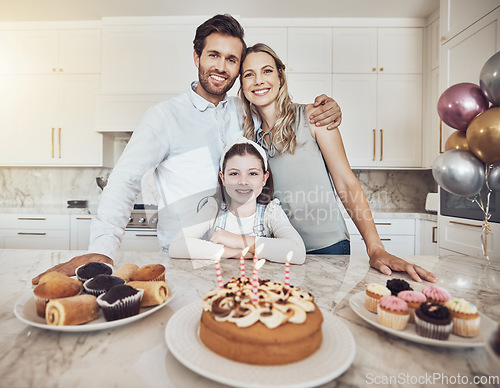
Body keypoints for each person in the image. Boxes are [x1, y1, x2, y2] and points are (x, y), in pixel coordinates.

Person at [32, 14, 340, 284]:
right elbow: (125, 180)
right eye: (213, 55)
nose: (222, 67)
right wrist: (101, 249)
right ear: (196, 57)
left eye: (232, 60)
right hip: (184, 260)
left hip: (243, 262)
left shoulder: (245, 112)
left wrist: (324, 109)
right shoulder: (164, 117)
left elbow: (282, 112)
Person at [238, 43, 437, 283]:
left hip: (327, 249)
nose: (258, 80)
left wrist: (375, 248)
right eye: (249, 74)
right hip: (277, 251)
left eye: (267, 71)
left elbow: (346, 184)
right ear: (242, 84)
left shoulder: (314, 116)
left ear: (280, 76)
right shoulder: (250, 137)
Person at [169, 137, 306, 264]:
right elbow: (176, 245)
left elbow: (298, 252)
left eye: (253, 173)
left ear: (264, 178)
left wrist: (237, 240)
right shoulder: (213, 209)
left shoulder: (271, 212)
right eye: (234, 173)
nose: (243, 182)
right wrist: (233, 253)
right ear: (223, 178)